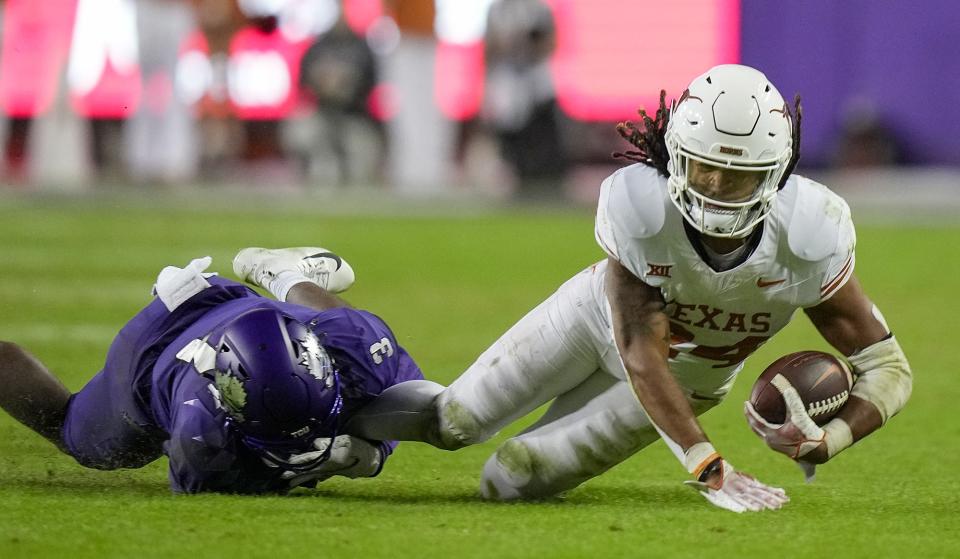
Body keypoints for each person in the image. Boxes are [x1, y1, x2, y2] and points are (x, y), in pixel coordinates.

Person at [238, 64, 913, 513]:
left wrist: (832, 439)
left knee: (511, 480)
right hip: (598, 322)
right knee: (454, 421)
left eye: (733, 178)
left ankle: (338, 444)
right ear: (674, 158)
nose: (712, 189)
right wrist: (708, 464)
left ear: (774, 175)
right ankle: (298, 285)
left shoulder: (810, 232)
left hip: (691, 380)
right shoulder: (641, 207)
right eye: (702, 171)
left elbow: (888, 367)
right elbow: (638, 347)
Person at [0, 249, 440, 494]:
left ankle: (282, 273)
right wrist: (340, 460)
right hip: (151, 351)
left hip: (247, 317)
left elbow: (402, 382)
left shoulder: (353, 343)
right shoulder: (200, 433)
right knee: (82, 439)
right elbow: (239, 478)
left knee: (355, 346)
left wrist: (377, 450)